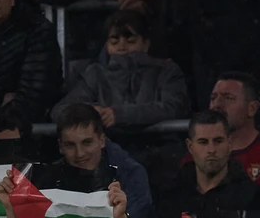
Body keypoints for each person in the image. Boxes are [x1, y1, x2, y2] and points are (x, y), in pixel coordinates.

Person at [52, 9, 187, 129]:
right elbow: (60, 110)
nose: (122, 46)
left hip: (159, 147)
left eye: (131, 41)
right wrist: (90, 113)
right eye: (114, 41)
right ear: (107, 45)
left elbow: (174, 107)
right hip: (107, 149)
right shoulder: (95, 73)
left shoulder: (166, 70)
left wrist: (118, 115)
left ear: (146, 44)